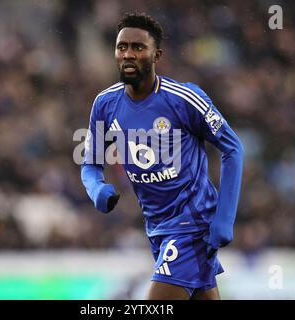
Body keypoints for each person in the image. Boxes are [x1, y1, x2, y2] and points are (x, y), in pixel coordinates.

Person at [80, 12, 244, 300]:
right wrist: (97, 189)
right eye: (122, 47)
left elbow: (233, 148)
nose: (128, 54)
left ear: (156, 55)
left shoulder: (183, 99)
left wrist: (224, 219)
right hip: (157, 228)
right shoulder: (105, 104)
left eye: (138, 47)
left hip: (193, 225)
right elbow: (91, 163)